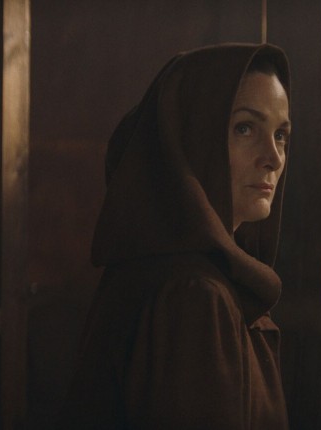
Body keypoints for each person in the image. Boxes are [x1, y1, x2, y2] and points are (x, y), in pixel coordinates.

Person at [60, 43, 292, 429]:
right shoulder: (193, 295)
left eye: (281, 134)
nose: (274, 157)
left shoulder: (170, 272)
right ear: (191, 139)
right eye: (245, 128)